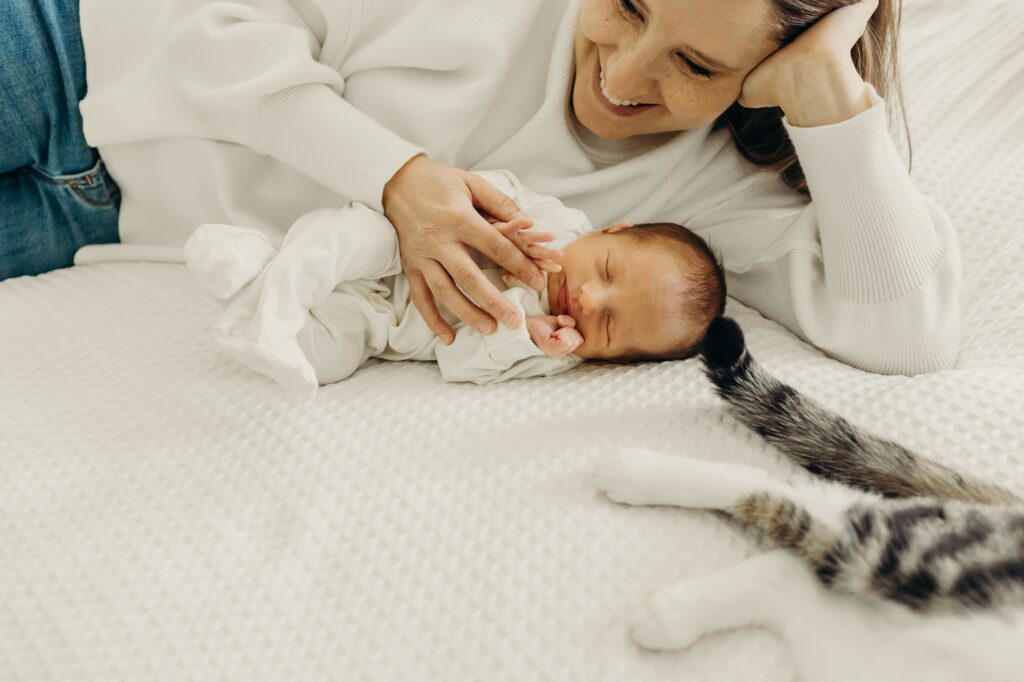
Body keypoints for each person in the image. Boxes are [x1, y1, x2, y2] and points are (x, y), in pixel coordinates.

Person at [2, 0, 959, 376]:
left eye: (697, 66)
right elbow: (221, 28)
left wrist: (830, 90)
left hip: (93, 222)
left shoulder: (708, 187)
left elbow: (906, 330)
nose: (626, 77)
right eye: (627, 5)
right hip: (66, 54)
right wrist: (397, 180)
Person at [184, 170, 726, 393]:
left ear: (609, 359)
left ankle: (250, 272)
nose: (588, 298)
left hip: (384, 325)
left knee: (325, 360)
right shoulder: (553, 223)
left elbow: (458, 362)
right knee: (345, 241)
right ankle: (277, 295)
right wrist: (495, 221)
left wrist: (524, 334)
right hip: (393, 250)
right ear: (610, 230)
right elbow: (490, 187)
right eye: (607, 270)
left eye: (607, 325)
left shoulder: (551, 353)